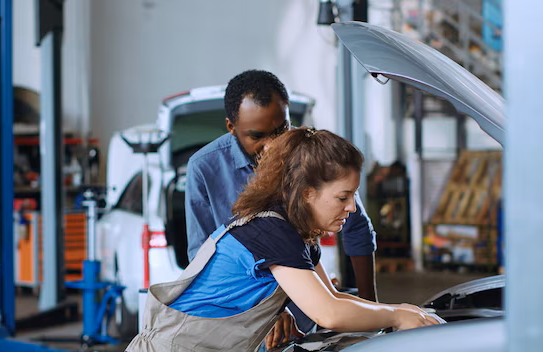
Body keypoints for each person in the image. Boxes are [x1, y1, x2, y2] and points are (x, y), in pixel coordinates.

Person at [126, 128, 439, 352]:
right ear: (307, 193)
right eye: (343, 196)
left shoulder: (295, 232)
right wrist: (396, 315)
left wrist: (402, 309)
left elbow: (336, 298)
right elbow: (327, 313)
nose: (352, 207)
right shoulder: (272, 231)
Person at [185, 70, 377, 347]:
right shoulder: (204, 168)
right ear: (231, 126)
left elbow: (356, 229)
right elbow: (202, 259)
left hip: (308, 315)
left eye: (281, 131)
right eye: (257, 136)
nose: (272, 146)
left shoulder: (307, 157)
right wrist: (267, 309)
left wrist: (371, 306)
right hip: (244, 317)